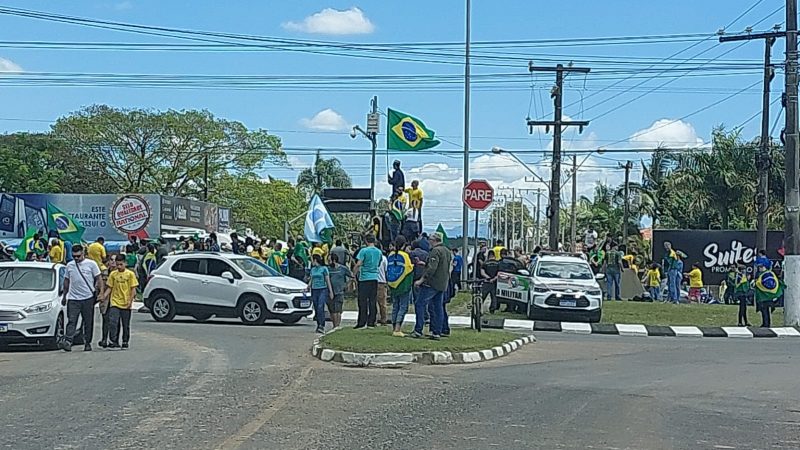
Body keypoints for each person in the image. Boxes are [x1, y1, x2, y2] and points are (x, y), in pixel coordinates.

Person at [59, 245, 103, 352]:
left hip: (88, 298)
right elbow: (66, 281)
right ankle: (68, 341)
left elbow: (99, 278)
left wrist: (101, 293)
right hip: (73, 298)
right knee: (72, 320)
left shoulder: (91, 264)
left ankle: (87, 342)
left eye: (78, 256)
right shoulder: (70, 266)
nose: (76, 258)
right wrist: (64, 296)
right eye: (74, 256)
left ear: (83, 253)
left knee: (88, 322)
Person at [411, 232, 452, 340]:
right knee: (438, 307)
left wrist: (421, 280)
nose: (428, 242)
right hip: (442, 284)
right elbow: (440, 266)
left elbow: (432, 269)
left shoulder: (435, 251)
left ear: (434, 240)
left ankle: (418, 330)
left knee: (420, 304)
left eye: (429, 239)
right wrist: (425, 264)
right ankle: (437, 332)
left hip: (431, 284)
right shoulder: (447, 251)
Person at [103, 257, 138, 349]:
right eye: (117, 264)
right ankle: (113, 341)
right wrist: (104, 296)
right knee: (113, 322)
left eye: (121, 264)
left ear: (125, 263)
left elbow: (133, 289)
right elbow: (110, 287)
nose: (119, 266)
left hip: (126, 302)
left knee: (125, 324)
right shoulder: (113, 274)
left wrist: (130, 301)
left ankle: (125, 341)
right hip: (115, 301)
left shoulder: (130, 274)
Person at [353, 234, 382, 329]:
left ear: (366, 241)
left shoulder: (364, 251)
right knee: (372, 301)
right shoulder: (379, 252)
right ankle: (371, 321)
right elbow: (378, 263)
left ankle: (362, 321)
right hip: (374, 277)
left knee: (362, 301)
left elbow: (359, 264)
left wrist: (353, 274)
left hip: (364, 278)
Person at [386, 236, 414, 337]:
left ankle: (394, 327)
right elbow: (408, 269)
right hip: (403, 284)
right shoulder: (405, 256)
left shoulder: (391, 255)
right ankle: (398, 328)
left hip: (393, 284)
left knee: (395, 306)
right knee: (403, 307)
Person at [308, 254, 333, 334]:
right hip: (314, 289)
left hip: (322, 289)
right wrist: (308, 286)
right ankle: (318, 324)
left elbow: (327, 280)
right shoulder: (312, 269)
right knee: (315, 306)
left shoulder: (324, 269)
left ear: (316, 260)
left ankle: (322, 325)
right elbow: (311, 279)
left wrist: (330, 291)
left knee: (320, 306)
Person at [327, 254, 352, 329]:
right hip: (329, 292)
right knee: (331, 310)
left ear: (334, 260)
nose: (328, 262)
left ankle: (337, 326)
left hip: (339, 291)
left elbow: (352, 276)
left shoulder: (343, 269)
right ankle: (334, 325)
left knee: (338, 310)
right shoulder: (328, 269)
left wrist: (347, 285)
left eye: (329, 260)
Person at [376, 243, 389, 325]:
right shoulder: (384, 259)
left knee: (372, 302)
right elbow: (386, 270)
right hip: (382, 281)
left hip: (373, 280)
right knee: (382, 303)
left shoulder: (371, 258)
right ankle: (383, 319)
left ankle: (373, 319)